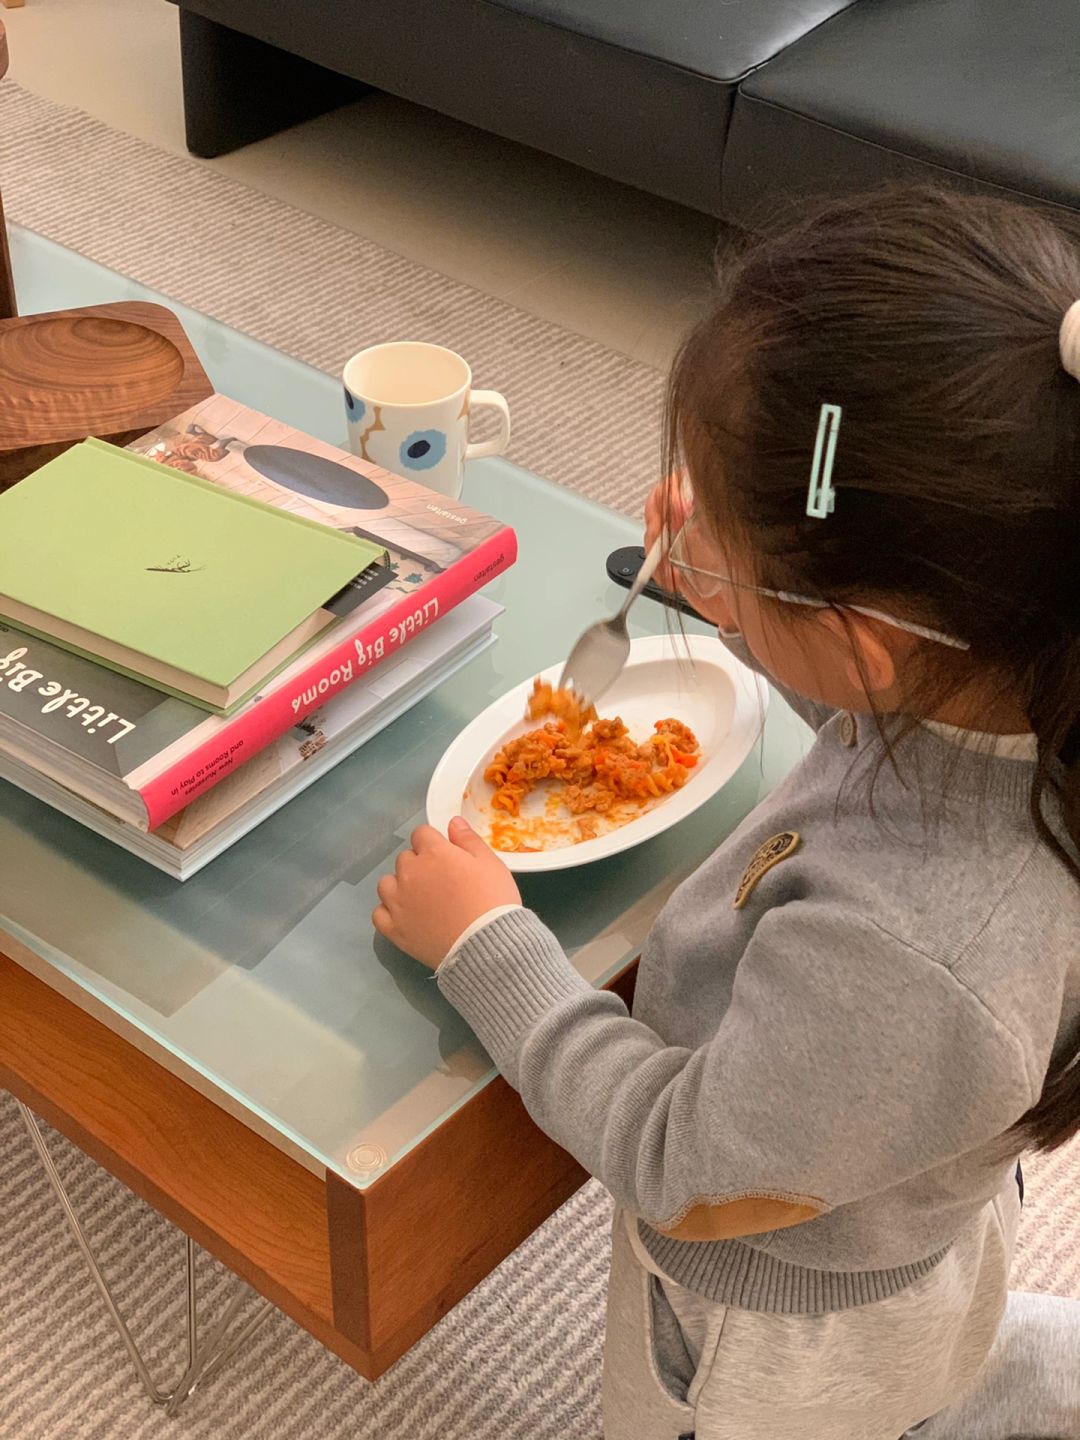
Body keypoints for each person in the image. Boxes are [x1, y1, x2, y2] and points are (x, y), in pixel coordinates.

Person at [372, 185, 1080, 1439]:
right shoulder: (1015, 690)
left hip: (783, 1347)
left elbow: (681, 1165)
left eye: (745, 561)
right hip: (874, 1173)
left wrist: (489, 946)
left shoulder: (907, 957)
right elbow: (877, 728)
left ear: (859, 641)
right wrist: (743, 604)